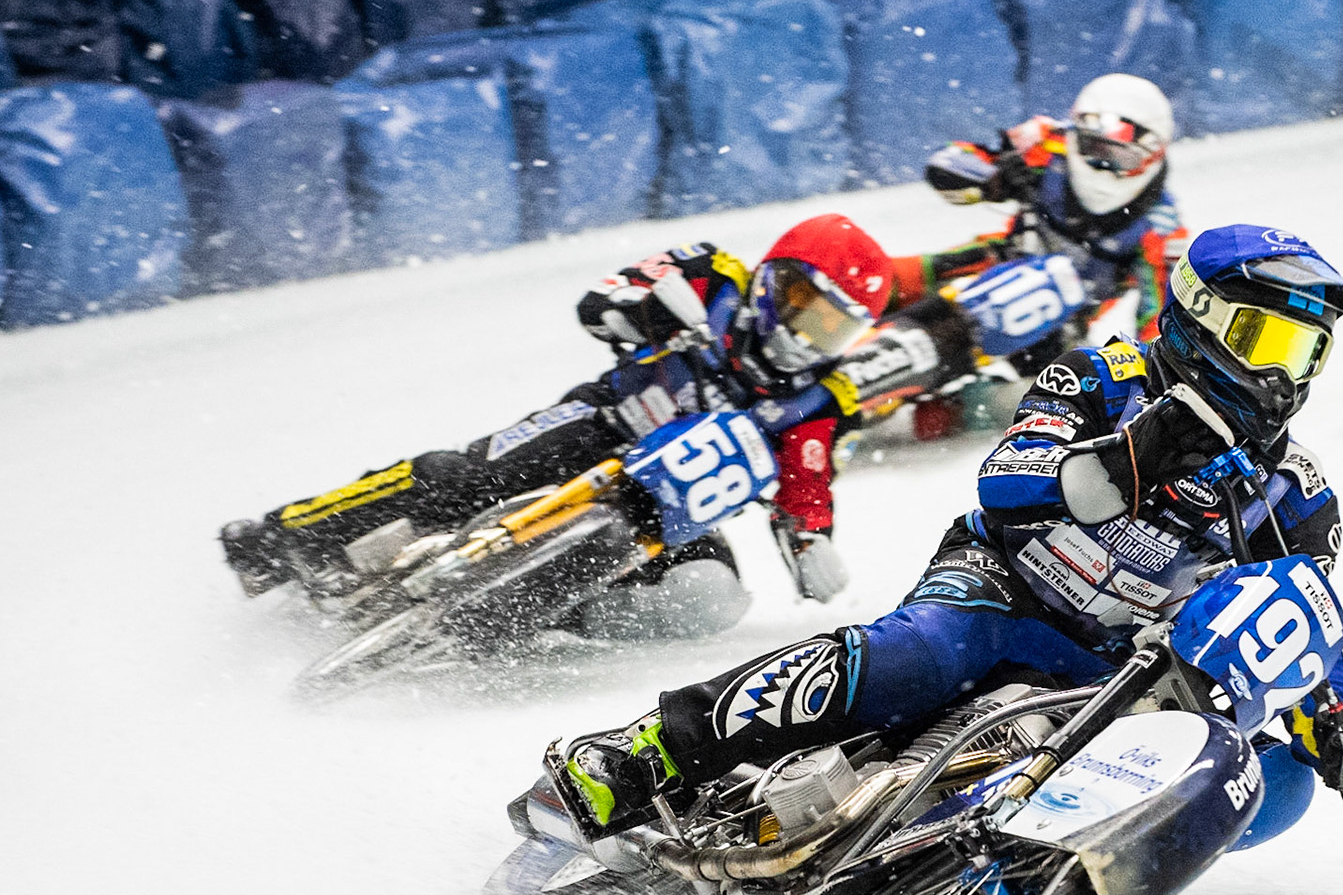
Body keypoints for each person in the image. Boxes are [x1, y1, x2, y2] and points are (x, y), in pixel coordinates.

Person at [551, 223, 1343, 848]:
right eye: (1263, 339)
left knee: (1276, 784)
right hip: (1004, 587)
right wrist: (1129, 459)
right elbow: (1004, 482)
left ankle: (1025, 871)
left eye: (1305, 352)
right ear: (1199, 314)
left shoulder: (1296, 494)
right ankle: (651, 751)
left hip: (1122, 669)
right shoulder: (1102, 377)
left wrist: (1341, 718)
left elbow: (1290, 621)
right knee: (918, 652)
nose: (1279, 374)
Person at [219, 213, 895, 637]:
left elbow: (806, 481)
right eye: (803, 305)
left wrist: (810, 540)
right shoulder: (710, 273)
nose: (806, 334)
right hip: (600, 425)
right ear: (773, 277)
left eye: (831, 327)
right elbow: (600, 303)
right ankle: (286, 534)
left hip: (673, 505)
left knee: (710, 598)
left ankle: (553, 614)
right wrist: (646, 312)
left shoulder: (822, 399)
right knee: (461, 476)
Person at [899, 73, 1190, 342]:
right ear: (1078, 134)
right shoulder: (1048, 143)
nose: (1103, 163)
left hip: (1062, 329)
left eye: (1120, 156)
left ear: (1150, 157)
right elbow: (951, 160)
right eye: (1094, 148)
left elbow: (1161, 323)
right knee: (892, 276)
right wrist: (992, 179)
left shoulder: (1162, 228)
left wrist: (1141, 365)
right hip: (1000, 260)